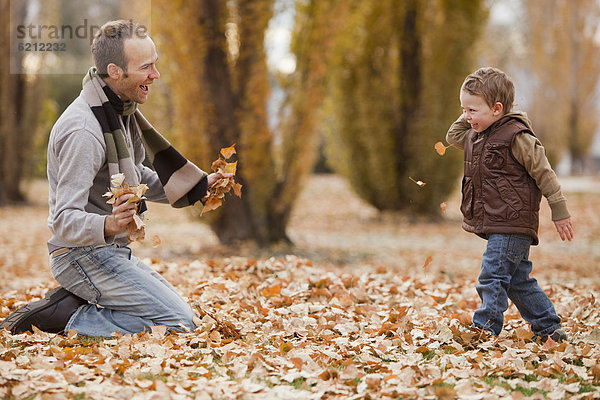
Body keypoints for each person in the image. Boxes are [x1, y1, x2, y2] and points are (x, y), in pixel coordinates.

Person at [0, 20, 229, 337]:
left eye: (155, 64)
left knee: (181, 314)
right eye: (146, 67)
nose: (155, 75)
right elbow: (63, 220)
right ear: (115, 71)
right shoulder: (84, 131)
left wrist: (199, 184)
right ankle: (65, 317)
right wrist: (109, 224)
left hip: (109, 251)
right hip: (80, 255)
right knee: (179, 323)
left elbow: (138, 176)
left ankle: (75, 302)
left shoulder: (120, 112)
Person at [446, 67, 574, 343]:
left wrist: (559, 210)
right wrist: (472, 111)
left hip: (513, 221)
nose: (466, 117)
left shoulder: (518, 137)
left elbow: (545, 173)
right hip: (500, 220)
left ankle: (485, 328)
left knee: (492, 275)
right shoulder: (478, 135)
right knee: (518, 281)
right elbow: (452, 136)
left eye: (472, 110)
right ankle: (549, 328)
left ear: (497, 108)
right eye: (463, 109)